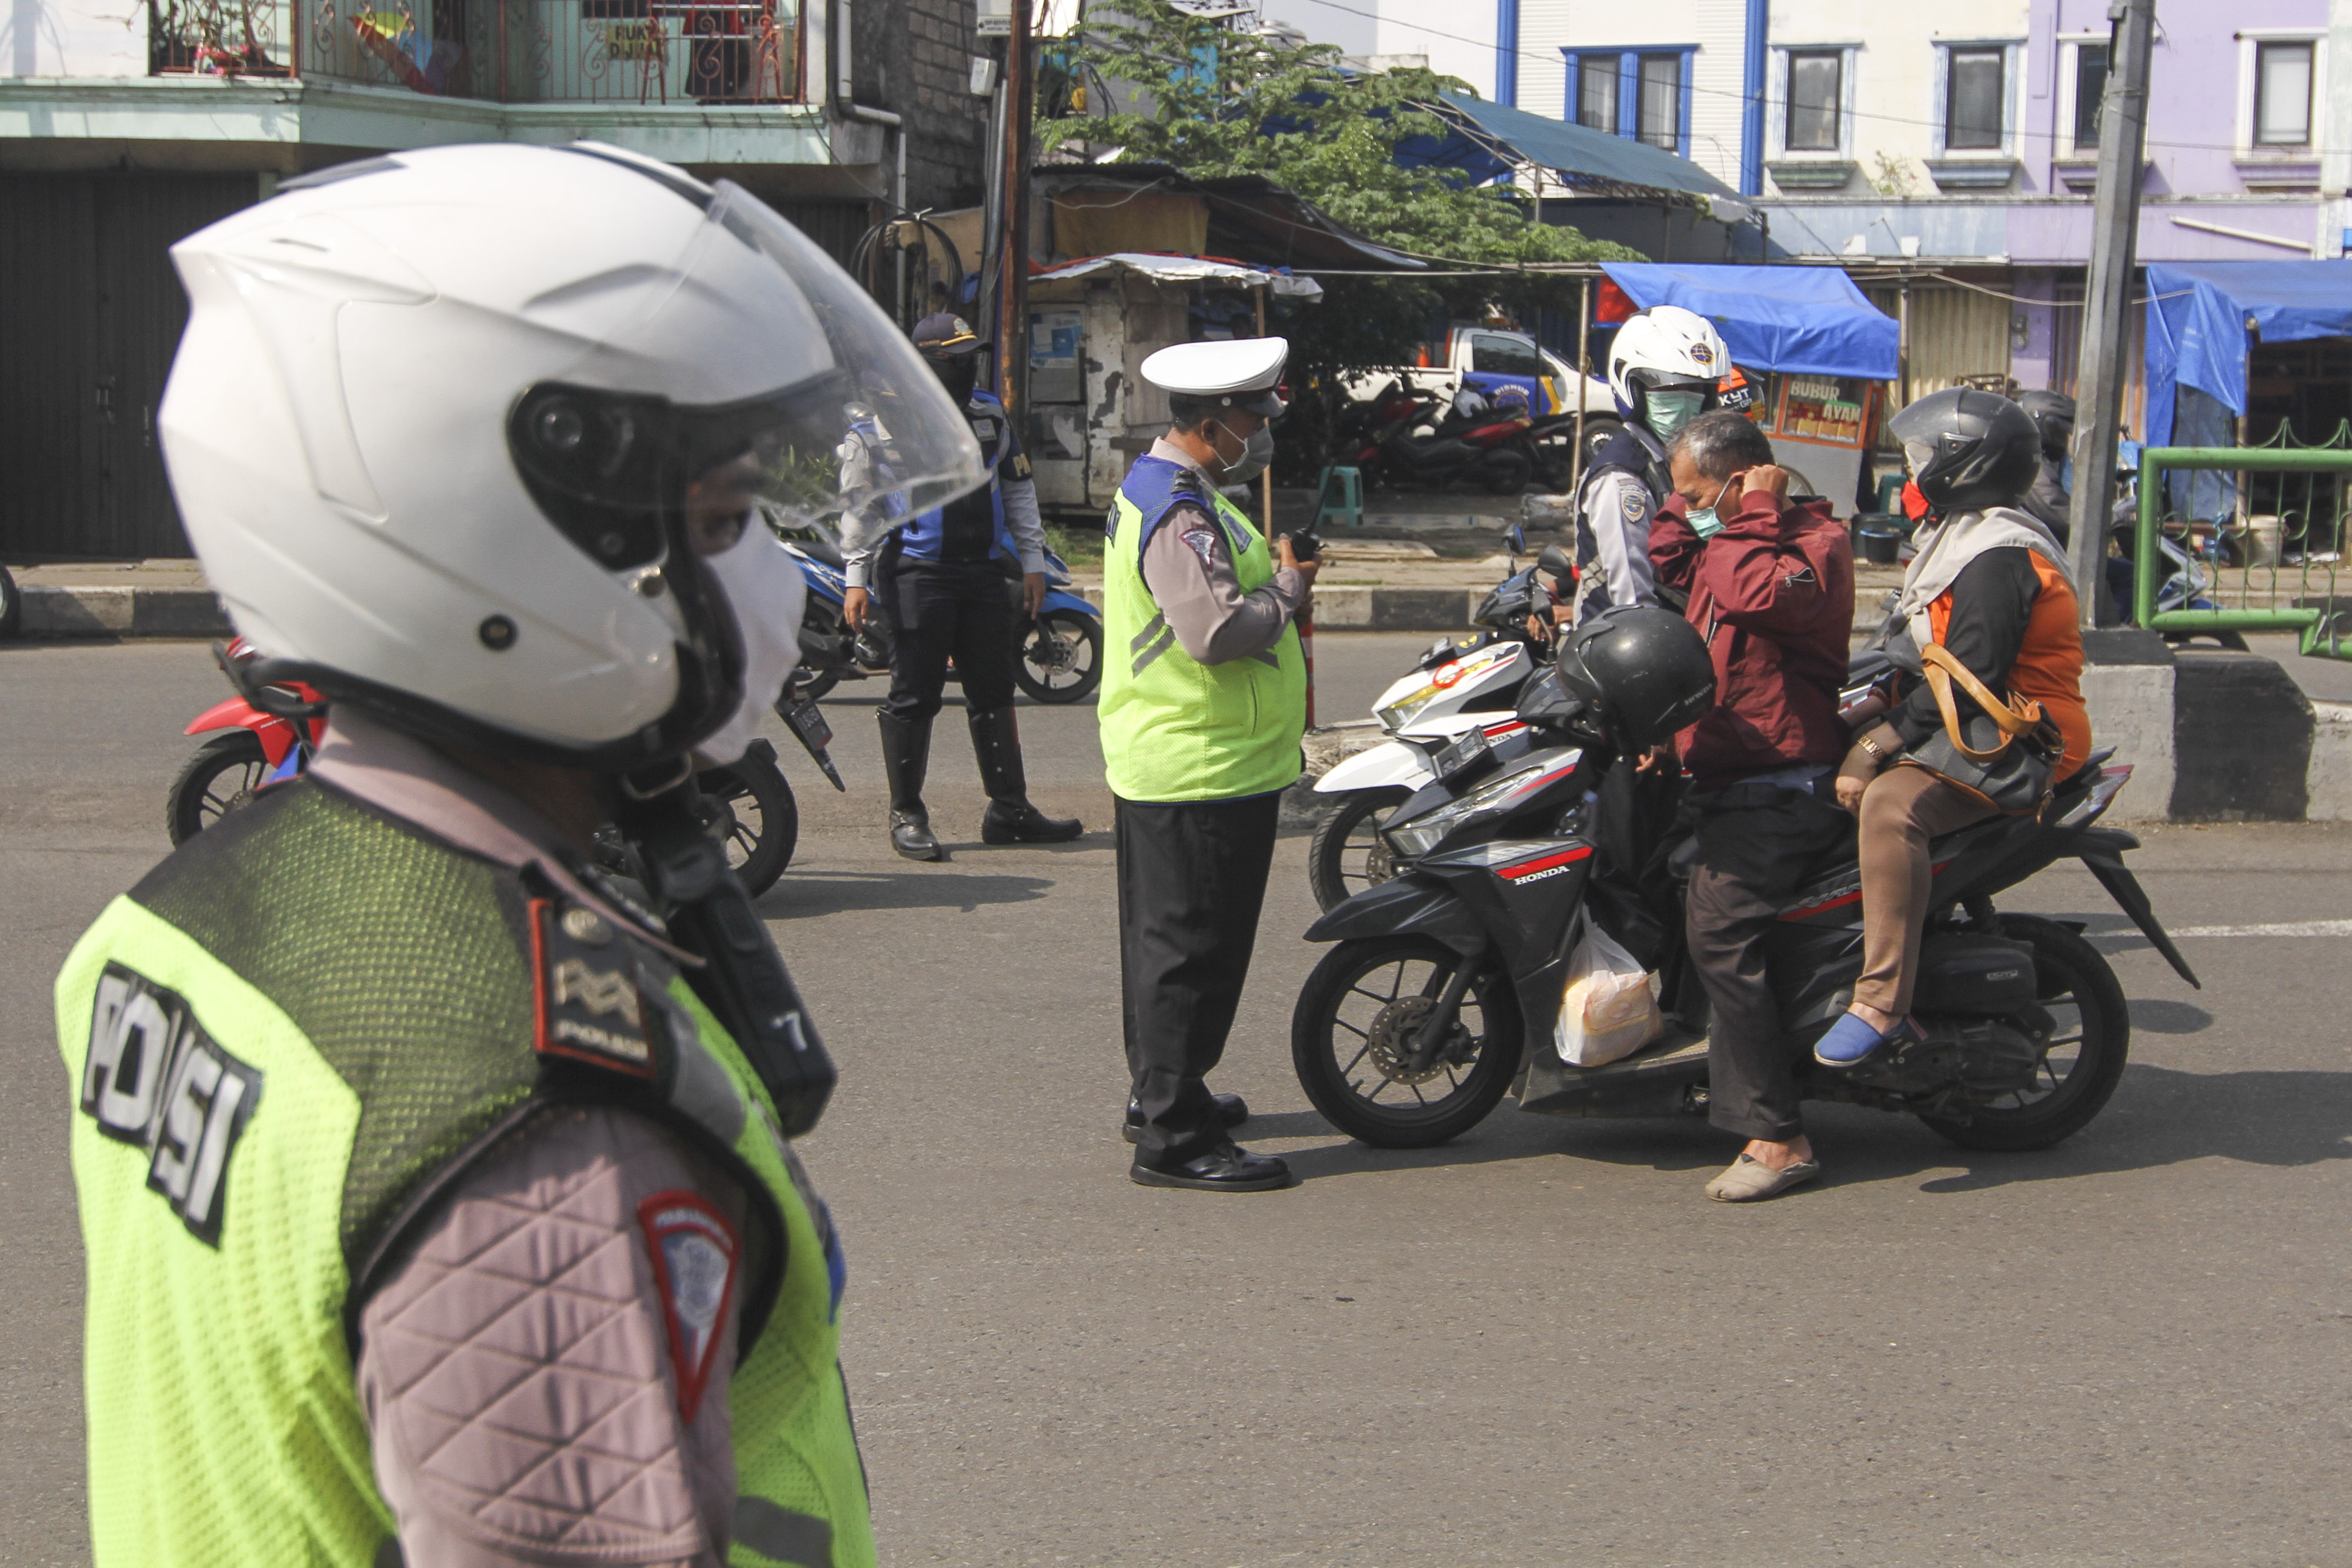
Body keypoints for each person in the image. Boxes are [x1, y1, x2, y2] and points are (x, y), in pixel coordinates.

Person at [55, 143, 990, 1567]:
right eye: (727, 517)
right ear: (495, 545)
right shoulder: (538, 1118)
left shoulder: (191, 914)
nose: (762, 573)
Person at [1820, 389, 2093, 1066]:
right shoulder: (1957, 541)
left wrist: (1873, 744)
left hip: (2022, 738)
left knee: (1889, 807)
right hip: (1968, 719)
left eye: (1921, 461)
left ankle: (1880, 1003)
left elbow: (1971, 677)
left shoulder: (1997, 556)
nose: (1910, 476)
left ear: (1959, 467)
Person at [1100, 337, 1316, 1192]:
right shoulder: (1178, 510)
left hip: (1189, 756)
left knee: (1165, 945)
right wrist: (1290, 589)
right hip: (1199, 762)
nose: (1259, 432)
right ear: (1214, 420)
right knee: (1190, 949)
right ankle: (1175, 1137)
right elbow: (1217, 632)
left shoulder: (1174, 489)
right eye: (1251, 417)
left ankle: (1162, 1090)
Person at [1648, 411, 1856, 1202]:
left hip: (1781, 781)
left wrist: (1757, 511)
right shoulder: (1720, 531)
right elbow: (1666, 552)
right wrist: (1695, 500)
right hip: (1725, 769)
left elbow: (1753, 592)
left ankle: (1778, 1134)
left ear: (1742, 484)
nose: (1691, 509)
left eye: (1701, 493)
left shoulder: (1811, 546)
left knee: (1721, 929)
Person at [841, 312, 1081, 860]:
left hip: (982, 574)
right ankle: (907, 814)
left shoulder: (989, 414)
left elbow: (1017, 488)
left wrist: (1033, 560)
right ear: (925, 363)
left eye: (973, 355)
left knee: (994, 690)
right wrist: (856, 578)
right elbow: (859, 507)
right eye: (956, 359)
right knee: (915, 695)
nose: (969, 367)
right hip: (916, 575)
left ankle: (1009, 808)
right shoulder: (879, 424)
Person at [1572, 305, 1732, 625]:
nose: (1688, 400)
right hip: (1623, 651)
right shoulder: (1623, 478)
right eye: (1670, 389)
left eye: (1697, 390)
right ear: (1635, 389)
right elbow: (1634, 600)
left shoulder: (1685, 462)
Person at [2015, 388, 2076, 542]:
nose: (2065, 439)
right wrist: (2119, 516)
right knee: (2128, 568)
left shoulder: (2043, 461)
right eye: (2061, 431)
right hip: (2039, 556)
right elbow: (2065, 517)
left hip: (2045, 548)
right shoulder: (2030, 464)